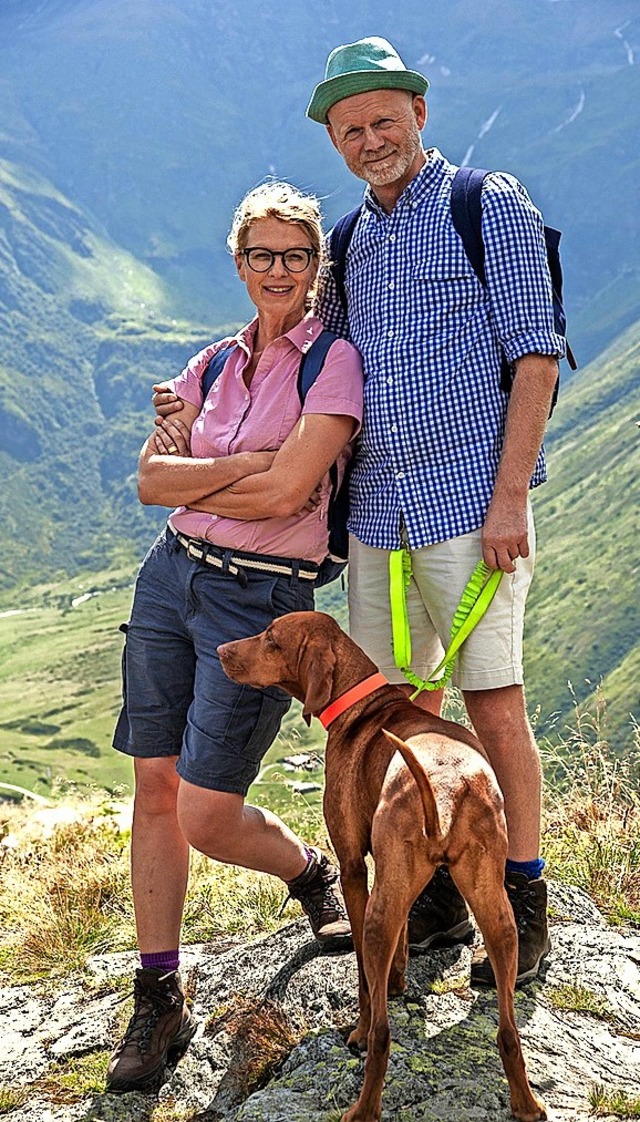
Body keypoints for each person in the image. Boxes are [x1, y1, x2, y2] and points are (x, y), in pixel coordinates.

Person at [306, 37, 567, 985]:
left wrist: (510, 503)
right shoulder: (349, 240)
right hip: (380, 515)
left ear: (420, 115)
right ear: (333, 142)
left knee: (494, 706)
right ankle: (441, 896)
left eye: (384, 119)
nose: (370, 140)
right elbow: (317, 361)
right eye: (350, 129)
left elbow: (536, 354)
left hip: (468, 504)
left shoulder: (484, 203)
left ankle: (524, 897)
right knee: (405, 714)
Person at [107, 181, 363, 1093]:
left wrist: (208, 475)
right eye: (261, 253)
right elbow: (147, 486)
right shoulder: (212, 364)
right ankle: (159, 992)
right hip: (170, 576)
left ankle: (307, 871)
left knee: (208, 816)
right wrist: (242, 466)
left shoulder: (332, 365)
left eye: (296, 255)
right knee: (153, 789)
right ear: (239, 260)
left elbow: (289, 495)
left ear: (315, 266)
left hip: (259, 602)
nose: (279, 271)